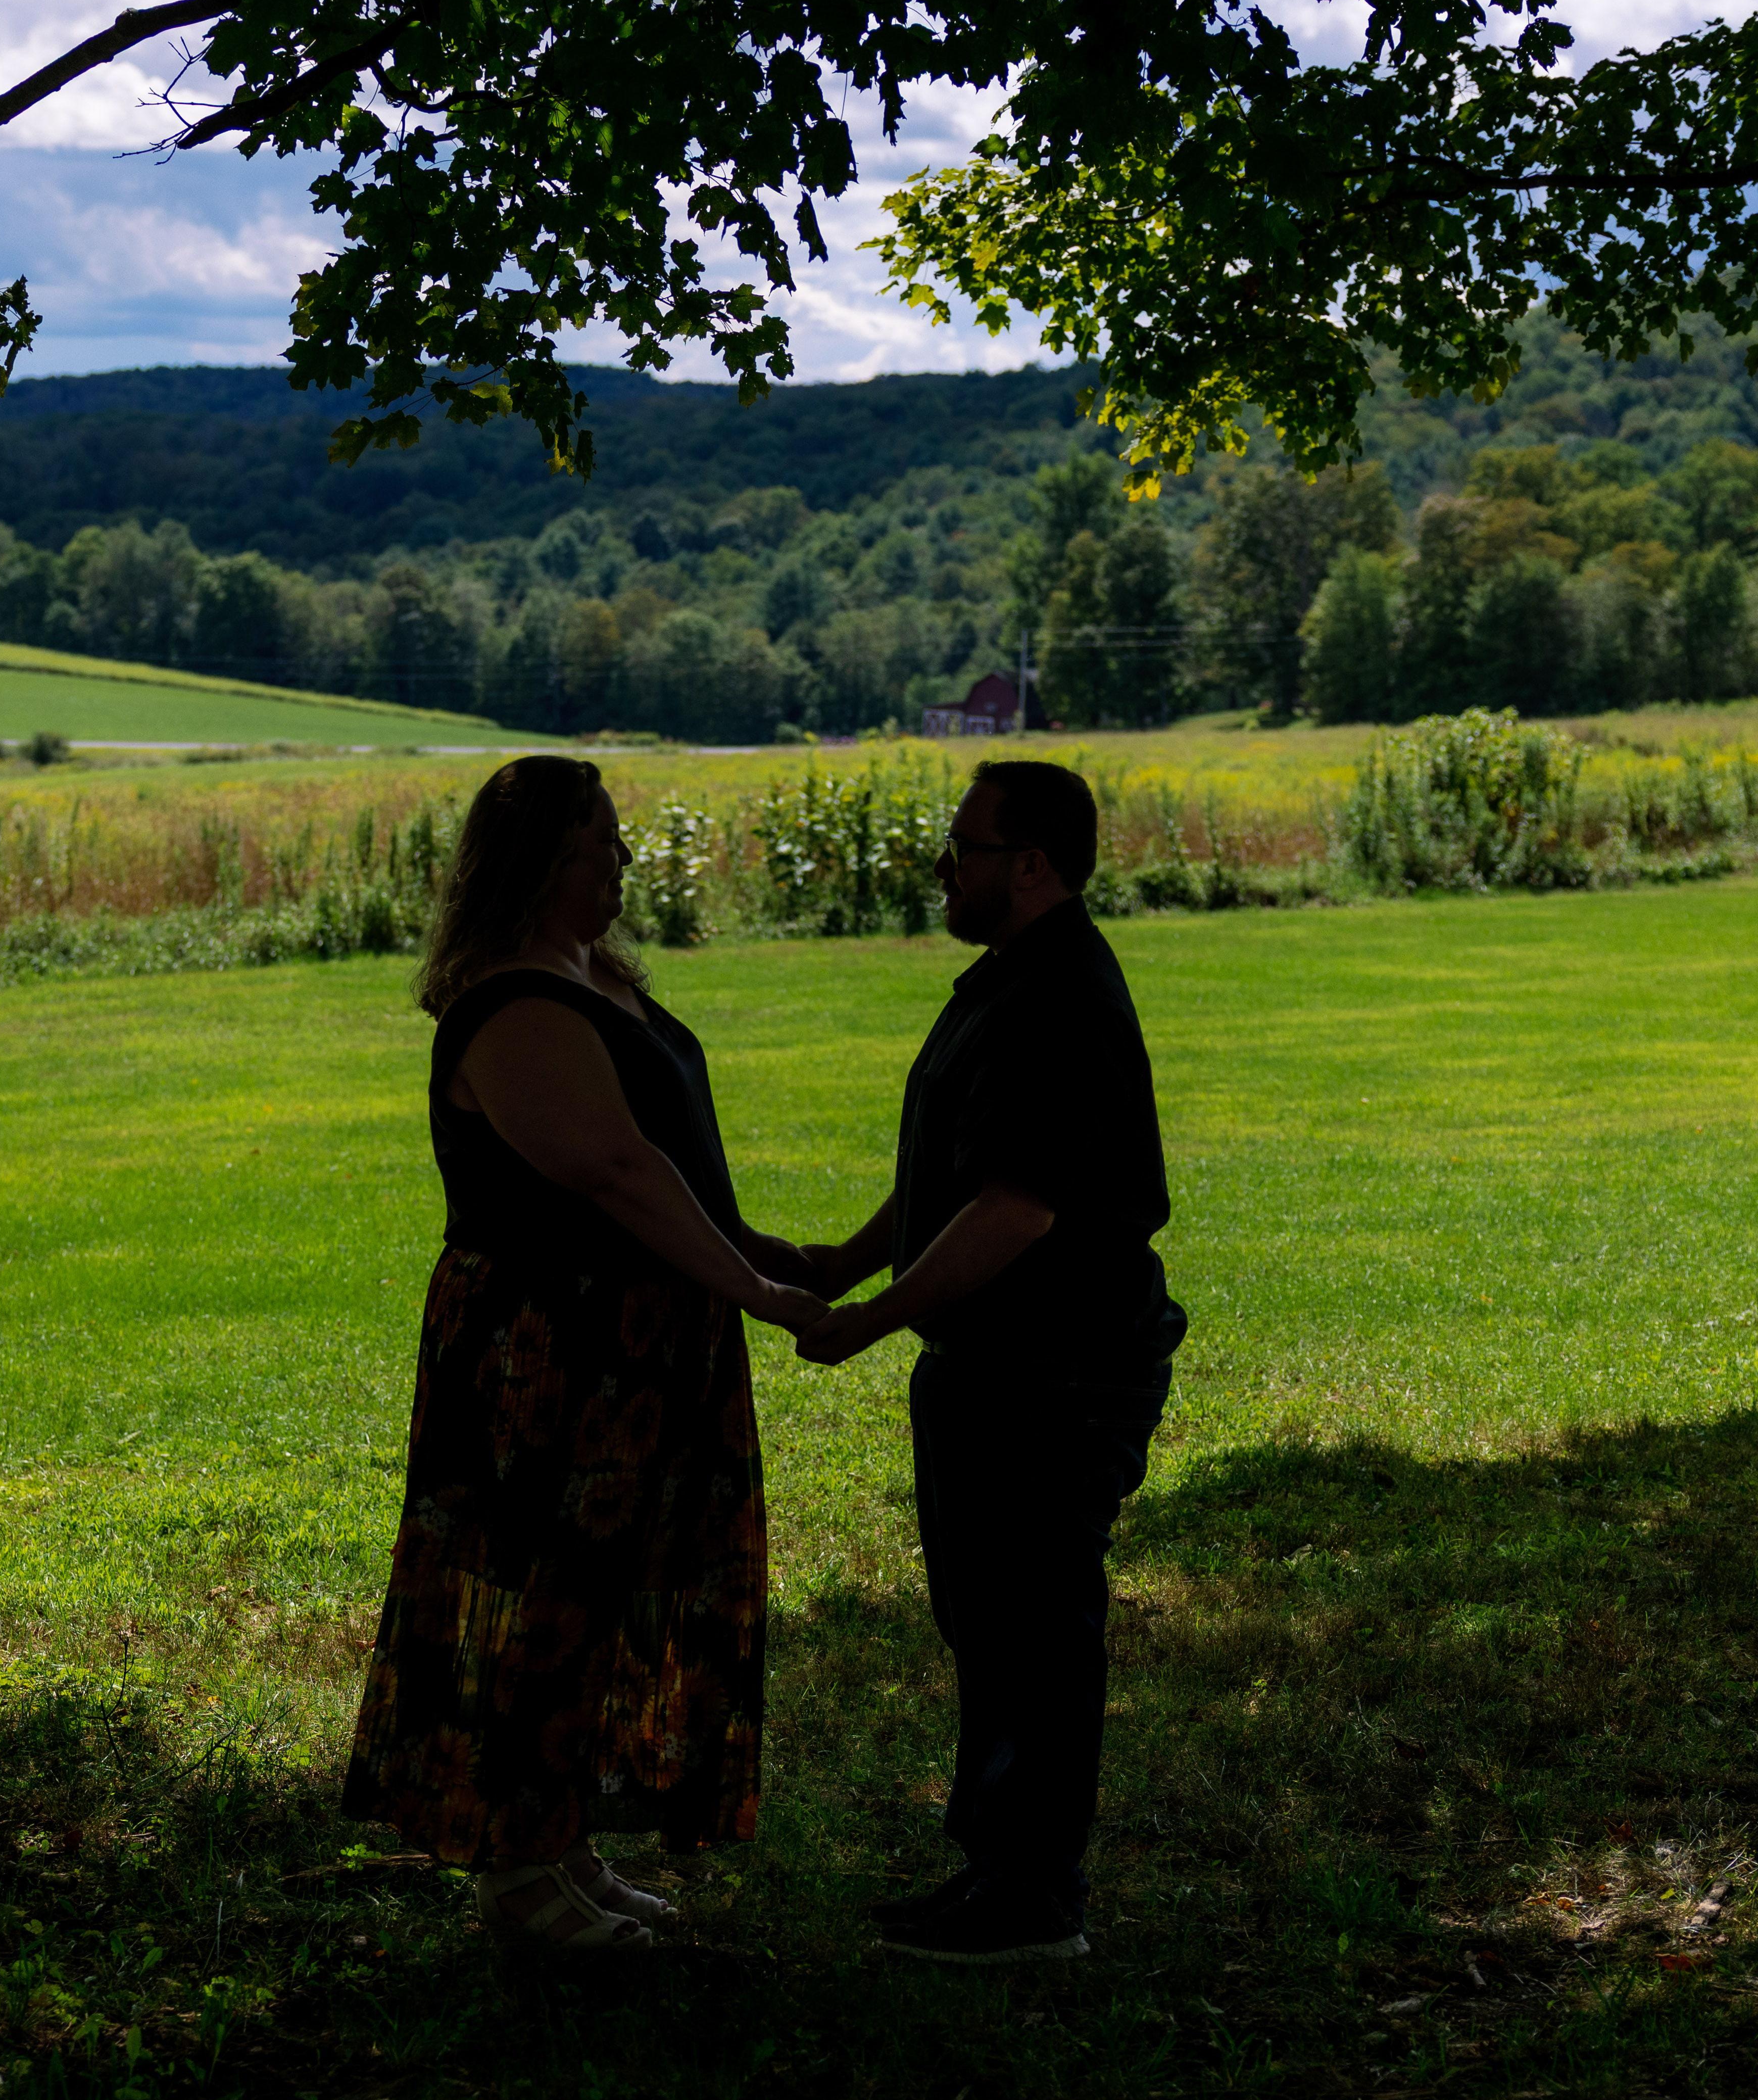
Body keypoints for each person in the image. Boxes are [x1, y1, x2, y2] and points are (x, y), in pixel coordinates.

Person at [345, 755, 830, 1949]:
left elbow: (670, 1157)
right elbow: (612, 1171)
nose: (622, 859)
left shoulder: (590, 975)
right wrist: (757, 1287)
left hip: (639, 1339)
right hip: (550, 1351)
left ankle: (557, 1847)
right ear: (541, 862)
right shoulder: (514, 1006)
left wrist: (752, 1252)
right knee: (545, 1598)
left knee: (610, 1593)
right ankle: (517, 1879)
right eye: (600, 842)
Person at [791, 760, 1180, 1965]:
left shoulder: (1055, 994)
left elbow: (1016, 1208)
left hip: (1055, 1371)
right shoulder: (1010, 981)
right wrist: (840, 1260)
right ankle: (1000, 1871)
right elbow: (953, 1177)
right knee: (996, 1624)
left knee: (1033, 1629)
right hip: (996, 1367)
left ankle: (1034, 1899)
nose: (944, 866)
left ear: (1032, 864)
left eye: (965, 846)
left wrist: (871, 1318)